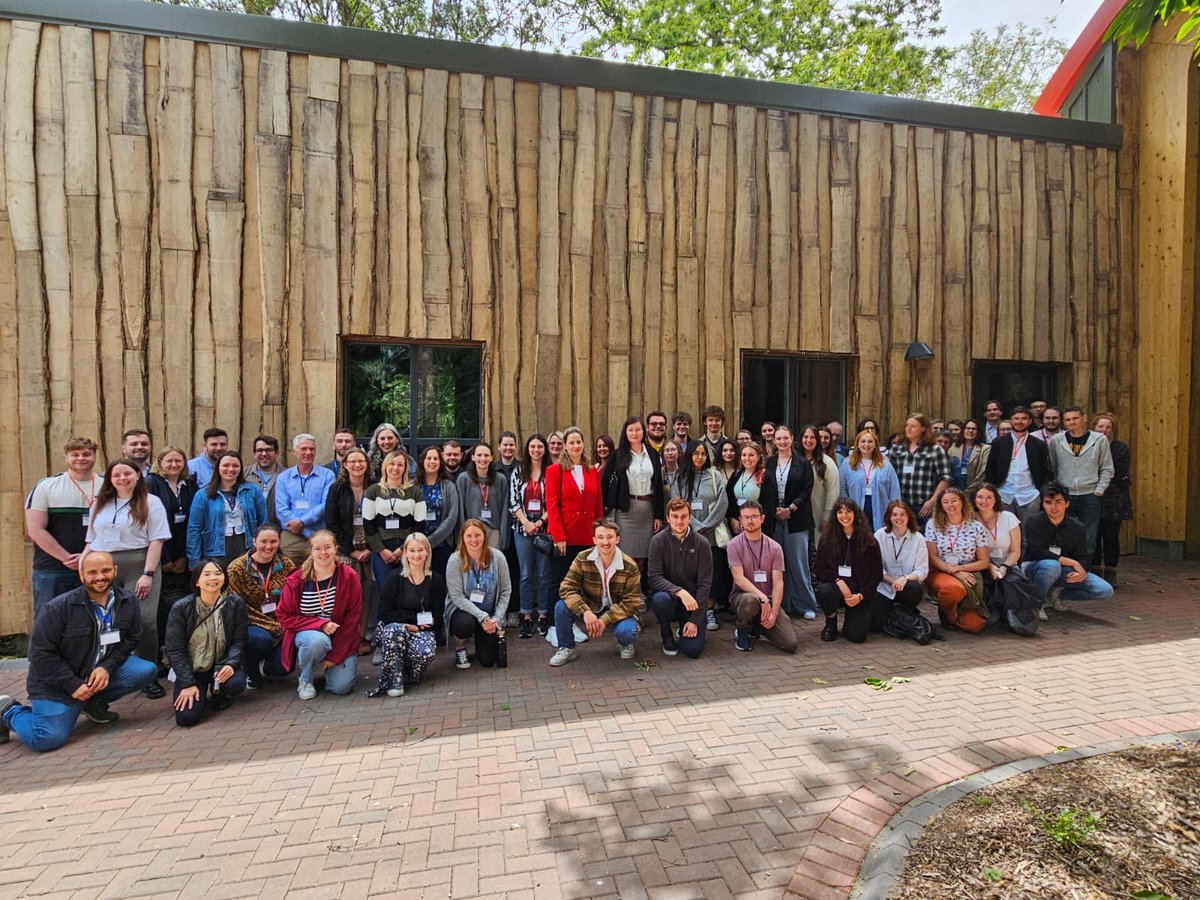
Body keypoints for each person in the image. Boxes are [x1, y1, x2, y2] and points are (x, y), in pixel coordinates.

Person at [0, 551, 158, 752]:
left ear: (115, 571)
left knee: (145, 670)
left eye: (105, 570)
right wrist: (72, 684)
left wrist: (106, 668)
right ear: (81, 575)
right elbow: (40, 654)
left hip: (95, 673)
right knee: (47, 739)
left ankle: (91, 703)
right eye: (92, 572)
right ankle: (9, 710)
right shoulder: (59, 608)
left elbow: (130, 640)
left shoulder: (128, 601)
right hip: (56, 684)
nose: (100, 577)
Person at [83, 458, 172, 698]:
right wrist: (83, 564)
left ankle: (148, 673)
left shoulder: (150, 502)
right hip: (104, 566)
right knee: (107, 621)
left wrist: (148, 574)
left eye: (127, 474)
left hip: (139, 566)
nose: (122, 478)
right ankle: (111, 671)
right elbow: (91, 539)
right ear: (110, 479)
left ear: (137, 476)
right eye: (116, 475)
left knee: (144, 621)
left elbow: (157, 539)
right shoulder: (99, 504)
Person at [25, 437, 104, 621]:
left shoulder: (107, 485)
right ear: (66, 457)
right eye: (74, 454)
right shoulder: (46, 486)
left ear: (94, 456)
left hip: (96, 566)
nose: (81, 458)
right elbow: (35, 530)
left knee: (92, 619)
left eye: (86, 454)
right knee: (50, 619)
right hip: (53, 568)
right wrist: (66, 558)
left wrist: (86, 556)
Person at [276, 530, 362, 699]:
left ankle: (330, 670)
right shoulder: (297, 580)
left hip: (341, 637)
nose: (323, 553)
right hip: (308, 635)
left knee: (341, 687)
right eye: (318, 548)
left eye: (328, 547)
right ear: (311, 551)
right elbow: (284, 616)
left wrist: (336, 655)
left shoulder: (348, 576)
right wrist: (319, 624)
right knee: (316, 641)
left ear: (335, 549)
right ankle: (306, 678)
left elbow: (353, 619)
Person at [163, 559, 248, 727]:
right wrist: (187, 683)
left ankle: (219, 693)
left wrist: (231, 664)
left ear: (224, 578)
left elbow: (240, 640)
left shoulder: (235, 603)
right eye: (207, 574)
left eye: (218, 574)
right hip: (193, 668)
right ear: (197, 581)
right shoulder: (181, 608)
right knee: (186, 718)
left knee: (236, 684)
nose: (213, 578)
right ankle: (199, 690)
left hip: (221, 665)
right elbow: (175, 650)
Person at [548, 519, 641, 666]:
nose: (605, 542)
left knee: (627, 630)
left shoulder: (630, 565)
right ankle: (567, 648)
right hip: (590, 606)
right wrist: (584, 611)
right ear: (594, 540)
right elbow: (566, 588)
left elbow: (633, 602)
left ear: (617, 539)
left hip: (616, 609)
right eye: (601, 537)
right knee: (561, 607)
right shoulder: (582, 558)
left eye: (610, 537)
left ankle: (625, 644)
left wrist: (605, 620)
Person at [368, 533, 443, 697]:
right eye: (412, 550)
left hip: (421, 630)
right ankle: (394, 678)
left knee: (426, 652)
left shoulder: (435, 579)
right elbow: (384, 612)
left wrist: (419, 626)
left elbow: (437, 613)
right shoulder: (394, 577)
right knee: (395, 630)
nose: (416, 555)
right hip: (396, 627)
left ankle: (407, 674)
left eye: (420, 550)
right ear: (405, 553)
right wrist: (410, 623)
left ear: (427, 552)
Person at [546, 426, 605, 627]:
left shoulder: (591, 470)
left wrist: (600, 534)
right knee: (561, 581)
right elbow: (552, 506)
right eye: (571, 442)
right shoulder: (554, 471)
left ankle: (577, 621)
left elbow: (598, 505)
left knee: (583, 582)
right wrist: (558, 536)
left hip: (587, 534)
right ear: (565, 446)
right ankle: (556, 625)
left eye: (578, 442)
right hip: (566, 535)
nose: (575, 446)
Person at [1021, 483, 1114, 608]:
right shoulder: (1034, 522)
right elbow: (1036, 551)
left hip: (1063, 571)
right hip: (1035, 567)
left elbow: (1083, 556)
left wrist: (1081, 572)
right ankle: (1036, 604)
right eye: (1048, 503)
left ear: (1067, 503)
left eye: (1058, 502)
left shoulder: (1077, 527)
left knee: (1105, 590)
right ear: (1042, 504)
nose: (1054, 507)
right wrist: (1071, 562)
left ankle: (1056, 594)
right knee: (1052, 565)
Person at [226, 524, 296, 689]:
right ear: (254, 542)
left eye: (273, 541)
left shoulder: (287, 565)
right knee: (260, 640)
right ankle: (250, 670)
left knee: (283, 668)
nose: (268, 546)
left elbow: (294, 598)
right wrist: (272, 626)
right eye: (263, 541)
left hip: (281, 623)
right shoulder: (236, 568)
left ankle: (268, 666)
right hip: (251, 623)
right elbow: (235, 606)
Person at [759, 425, 817, 618]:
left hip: (796, 518)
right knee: (777, 564)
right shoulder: (769, 463)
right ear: (774, 441)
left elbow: (806, 490)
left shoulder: (803, 463)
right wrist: (774, 510)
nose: (782, 442)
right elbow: (765, 488)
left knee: (798, 563)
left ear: (792, 438)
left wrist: (790, 508)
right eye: (779, 439)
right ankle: (783, 604)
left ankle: (806, 605)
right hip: (775, 518)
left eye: (785, 438)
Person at [146, 446, 198, 660]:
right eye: (169, 461)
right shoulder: (151, 484)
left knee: (183, 603)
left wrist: (186, 557)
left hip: (183, 552)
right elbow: (150, 522)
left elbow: (194, 522)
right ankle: (158, 654)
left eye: (179, 461)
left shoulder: (190, 485)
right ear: (160, 462)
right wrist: (164, 559)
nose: (174, 465)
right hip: (160, 552)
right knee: (158, 607)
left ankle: (181, 651)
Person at [324, 447, 376, 655]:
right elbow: (332, 523)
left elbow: (382, 520)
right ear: (345, 465)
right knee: (346, 597)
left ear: (367, 464)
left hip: (371, 549)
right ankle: (346, 637)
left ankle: (362, 637)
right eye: (352, 461)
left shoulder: (375, 487)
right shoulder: (337, 489)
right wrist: (350, 551)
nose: (357, 465)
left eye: (361, 461)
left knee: (367, 595)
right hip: (346, 550)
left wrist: (371, 548)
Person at [602, 416, 665, 584]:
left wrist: (659, 515)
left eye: (638, 429)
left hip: (647, 511)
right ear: (625, 433)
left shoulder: (652, 454)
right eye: (631, 430)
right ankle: (622, 592)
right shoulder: (618, 454)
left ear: (643, 431)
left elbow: (658, 485)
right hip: (626, 511)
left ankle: (637, 592)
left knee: (642, 556)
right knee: (625, 556)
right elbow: (604, 481)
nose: (634, 433)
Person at [726, 501, 796, 653]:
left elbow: (778, 583)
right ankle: (743, 630)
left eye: (754, 517)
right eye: (746, 517)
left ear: (762, 518)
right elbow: (738, 578)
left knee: (790, 644)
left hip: (769, 601)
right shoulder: (734, 545)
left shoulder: (775, 547)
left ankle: (758, 626)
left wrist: (774, 612)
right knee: (751, 601)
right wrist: (762, 598)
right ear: (741, 520)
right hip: (743, 597)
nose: (750, 521)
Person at [1047, 406, 1114, 563]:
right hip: (1065, 495)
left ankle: (1084, 572)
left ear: (1084, 418)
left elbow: (1107, 468)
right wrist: (1058, 490)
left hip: (1090, 495)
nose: (1072, 422)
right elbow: (1053, 466)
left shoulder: (1099, 440)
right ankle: (1065, 574)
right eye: (1068, 420)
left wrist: (1099, 489)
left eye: (1075, 418)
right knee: (1063, 535)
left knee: (1088, 537)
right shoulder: (1057, 440)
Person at [363, 448, 427, 610]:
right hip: (382, 550)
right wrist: (381, 550)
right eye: (392, 463)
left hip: (408, 551)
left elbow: (419, 526)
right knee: (385, 592)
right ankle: (384, 630)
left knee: (408, 591)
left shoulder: (414, 492)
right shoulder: (373, 491)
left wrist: (402, 550)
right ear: (385, 466)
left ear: (405, 468)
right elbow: (368, 526)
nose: (395, 468)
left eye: (400, 464)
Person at [647, 499, 711, 658]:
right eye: (674, 516)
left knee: (692, 651)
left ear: (690, 518)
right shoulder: (658, 541)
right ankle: (666, 633)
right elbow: (654, 577)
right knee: (660, 599)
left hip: (693, 604)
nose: (679, 521)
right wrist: (679, 592)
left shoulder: (702, 543)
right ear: (668, 518)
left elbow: (705, 584)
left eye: (684, 516)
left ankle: (685, 626)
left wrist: (695, 620)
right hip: (670, 598)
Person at [674, 442, 728, 629]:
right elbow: (677, 504)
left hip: (711, 534)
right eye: (696, 453)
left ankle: (709, 609)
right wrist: (696, 527)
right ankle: (690, 608)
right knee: (690, 572)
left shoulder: (715, 476)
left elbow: (723, 502)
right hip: (688, 533)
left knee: (711, 573)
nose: (699, 457)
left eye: (703, 454)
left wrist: (706, 526)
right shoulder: (680, 478)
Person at [445, 518, 512, 670]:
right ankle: (460, 647)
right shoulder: (455, 560)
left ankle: (482, 640)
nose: (474, 540)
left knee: (488, 661)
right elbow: (457, 597)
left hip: (489, 616)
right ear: (462, 538)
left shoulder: (498, 557)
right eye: (469, 536)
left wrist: (496, 618)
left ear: (484, 536)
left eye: (477, 535)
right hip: (464, 612)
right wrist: (482, 617)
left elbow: (505, 591)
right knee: (464, 625)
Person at [814, 500, 884, 643]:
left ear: (855, 514)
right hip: (837, 591)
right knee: (825, 590)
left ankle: (855, 619)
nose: (844, 516)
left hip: (860, 594)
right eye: (840, 512)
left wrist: (861, 595)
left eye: (848, 511)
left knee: (856, 636)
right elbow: (819, 568)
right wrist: (838, 581)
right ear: (835, 515)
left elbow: (876, 575)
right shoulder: (827, 539)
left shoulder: (870, 541)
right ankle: (831, 622)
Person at [924, 488, 991, 633]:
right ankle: (947, 613)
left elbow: (984, 562)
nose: (950, 505)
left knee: (975, 626)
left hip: (968, 570)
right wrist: (954, 571)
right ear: (941, 505)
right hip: (940, 569)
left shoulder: (976, 527)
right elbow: (932, 557)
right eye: (945, 502)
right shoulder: (932, 524)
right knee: (953, 589)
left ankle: (958, 609)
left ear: (962, 502)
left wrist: (961, 569)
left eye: (954, 500)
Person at [186, 451, 267, 571]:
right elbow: (194, 528)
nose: (230, 469)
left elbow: (264, 523)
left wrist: (263, 549)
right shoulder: (203, 495)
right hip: (215, 549)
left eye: (235, 465)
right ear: (218, 468)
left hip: (246, 547)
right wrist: (194, 561)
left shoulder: (252, 491)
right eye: (226, 465)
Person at [509, 434, 551, 639]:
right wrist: (526, 522)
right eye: (533, 446)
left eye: (540, 446)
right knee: (526, 574)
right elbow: (513, 501)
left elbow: (554, 501)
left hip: (544, 528)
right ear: (527, 449)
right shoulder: (518, 471)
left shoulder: (551, 472)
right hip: (521, 528)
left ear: (545, 449)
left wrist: (540, 522)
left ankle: (543, 614)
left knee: (543, 574)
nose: (536, 450)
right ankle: (526, 616)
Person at [416, 446, 461, 635]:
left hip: (442, 545)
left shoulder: (448, 485)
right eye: (429, 459)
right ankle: (424, 626)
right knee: (421, 587)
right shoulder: (413, 485)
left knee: (440, 586)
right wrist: (420, 543)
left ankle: (441, 626)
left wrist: (431, 542)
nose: (432, 462)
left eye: (435, 459)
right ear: (423, 462)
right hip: (417, 549)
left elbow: (452, 517)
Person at [275, 433, 337, 564]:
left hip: (319, 531)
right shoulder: (283, 477)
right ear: (294, 452)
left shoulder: (327, 475)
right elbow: (281, 509)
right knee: (293, 573)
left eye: (312, 449)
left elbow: (326, 504)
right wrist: (299, 526)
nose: (308, 452)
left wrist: (302, 522)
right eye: (303, 449)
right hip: (292, 534)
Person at [983, 406, 1050, 524]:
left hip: (1030, 496)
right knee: (1005, 534)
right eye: (1016, 418)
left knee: (1028, 535)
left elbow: (1045, 470)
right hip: (1003, 495)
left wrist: (1040, 492)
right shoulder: (999, 443)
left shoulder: (1039, 444)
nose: (1019, 422)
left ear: (1030, 421)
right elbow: (990, 469)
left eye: (1024, 419)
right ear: (1010, 421)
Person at [1091, 412, 1131, 587]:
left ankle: (1111, 573)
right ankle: (1094, 573)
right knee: (1093, 536)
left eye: (1108, 427)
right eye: (1100, 426)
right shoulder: (1088, 446)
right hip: (1092, 496)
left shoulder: (1120, 448)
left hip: (1114, 499)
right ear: (1094, 428)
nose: (1104, 430)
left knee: (1111, 537)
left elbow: (1119, 471)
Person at [889, 414, 952, 524]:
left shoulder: (935, 450)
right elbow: (889, 477)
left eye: (913, 426)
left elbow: (945, 478)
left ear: (923, 428)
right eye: (907, 425)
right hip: (902, 505)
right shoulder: (896, 449)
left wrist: (933, 501)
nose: (908, 429)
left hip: (924, 506)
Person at [839, 429, 901, 531]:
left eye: (870, 441)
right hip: (856, 507)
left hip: (880, 508)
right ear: (857, 444)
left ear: (876, 445)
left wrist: (895, 511)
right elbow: (842, 488)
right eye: (863, 441)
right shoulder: (847, 464)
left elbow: (894, 490)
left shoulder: (886, 465)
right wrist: (846, 508)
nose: (866, 444)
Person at [874, 501, 928, 614]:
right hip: (884, 586)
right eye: (894, 514)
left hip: (906, 586)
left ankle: (906, 610)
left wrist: (905, 578)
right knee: (876, 624)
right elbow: (874, 567)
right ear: (889, 517)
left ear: (909, 516)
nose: (899, 517)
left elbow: (922, 570)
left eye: (902, 514)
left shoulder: (918, 538)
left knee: (915, 589)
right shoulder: (879, 535)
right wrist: (893, 581)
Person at [457, 440, 511, 551]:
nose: (483, 459)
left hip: (493, 532)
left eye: (486, 455)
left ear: (491, 458)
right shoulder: (464, 479)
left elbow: (505, 510)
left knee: (492, 566)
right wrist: (461, 535)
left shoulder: (500, 479)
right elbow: (460, 511)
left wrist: (503, 537)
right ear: (473, 457)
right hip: (471, 532)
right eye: (479, 455)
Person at [800, 425, 840, 547]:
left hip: (818, 514)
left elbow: (833, 492)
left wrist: (827, 517)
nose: (808, 440)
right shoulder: (794, 460)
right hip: (797, 516)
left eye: (812, 437)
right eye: (805, 437)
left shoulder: (827, 462)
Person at [726, 441, 765, 532]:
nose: (747, 458)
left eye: (751, 455)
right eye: (744, 455)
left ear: (758, 457)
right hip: (738, 525)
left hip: (758, 526)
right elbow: (729, 499)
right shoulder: (736, 474)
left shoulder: (765, 476)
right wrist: (732, 519)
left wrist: (754, 524)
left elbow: (769, 506)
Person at [949, 418, 989, 491]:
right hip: (954, 488)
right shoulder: (952, 447)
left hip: (974, 489)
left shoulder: (985, 448)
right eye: (968, 428)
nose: (970, 431)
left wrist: (969, 491)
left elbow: (982, 473)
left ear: (978, 432)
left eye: (974, 429)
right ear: (963, 430)